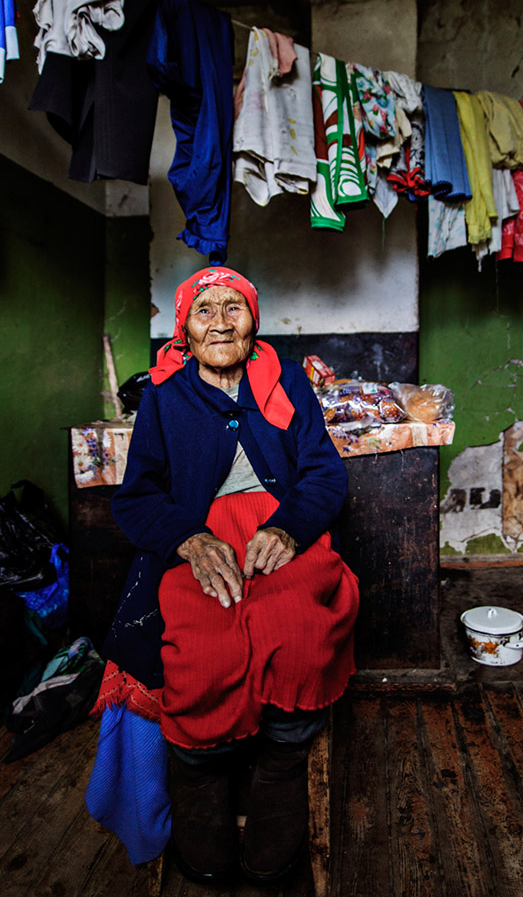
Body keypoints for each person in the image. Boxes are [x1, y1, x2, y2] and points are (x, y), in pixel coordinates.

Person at [87, 266, 359, 886]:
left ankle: (282, 768)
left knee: (295, 629)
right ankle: (202, 799)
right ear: (184, 327)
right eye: (204, 309)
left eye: (233, 307)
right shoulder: (164, 394)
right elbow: (136, 496)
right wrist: (187, 537)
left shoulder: (289, 380)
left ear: (253, 321)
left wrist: (289, 527)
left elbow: (324, 475)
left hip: (282, 529)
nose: (220, 320)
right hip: (198, 540)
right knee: (204, 645)